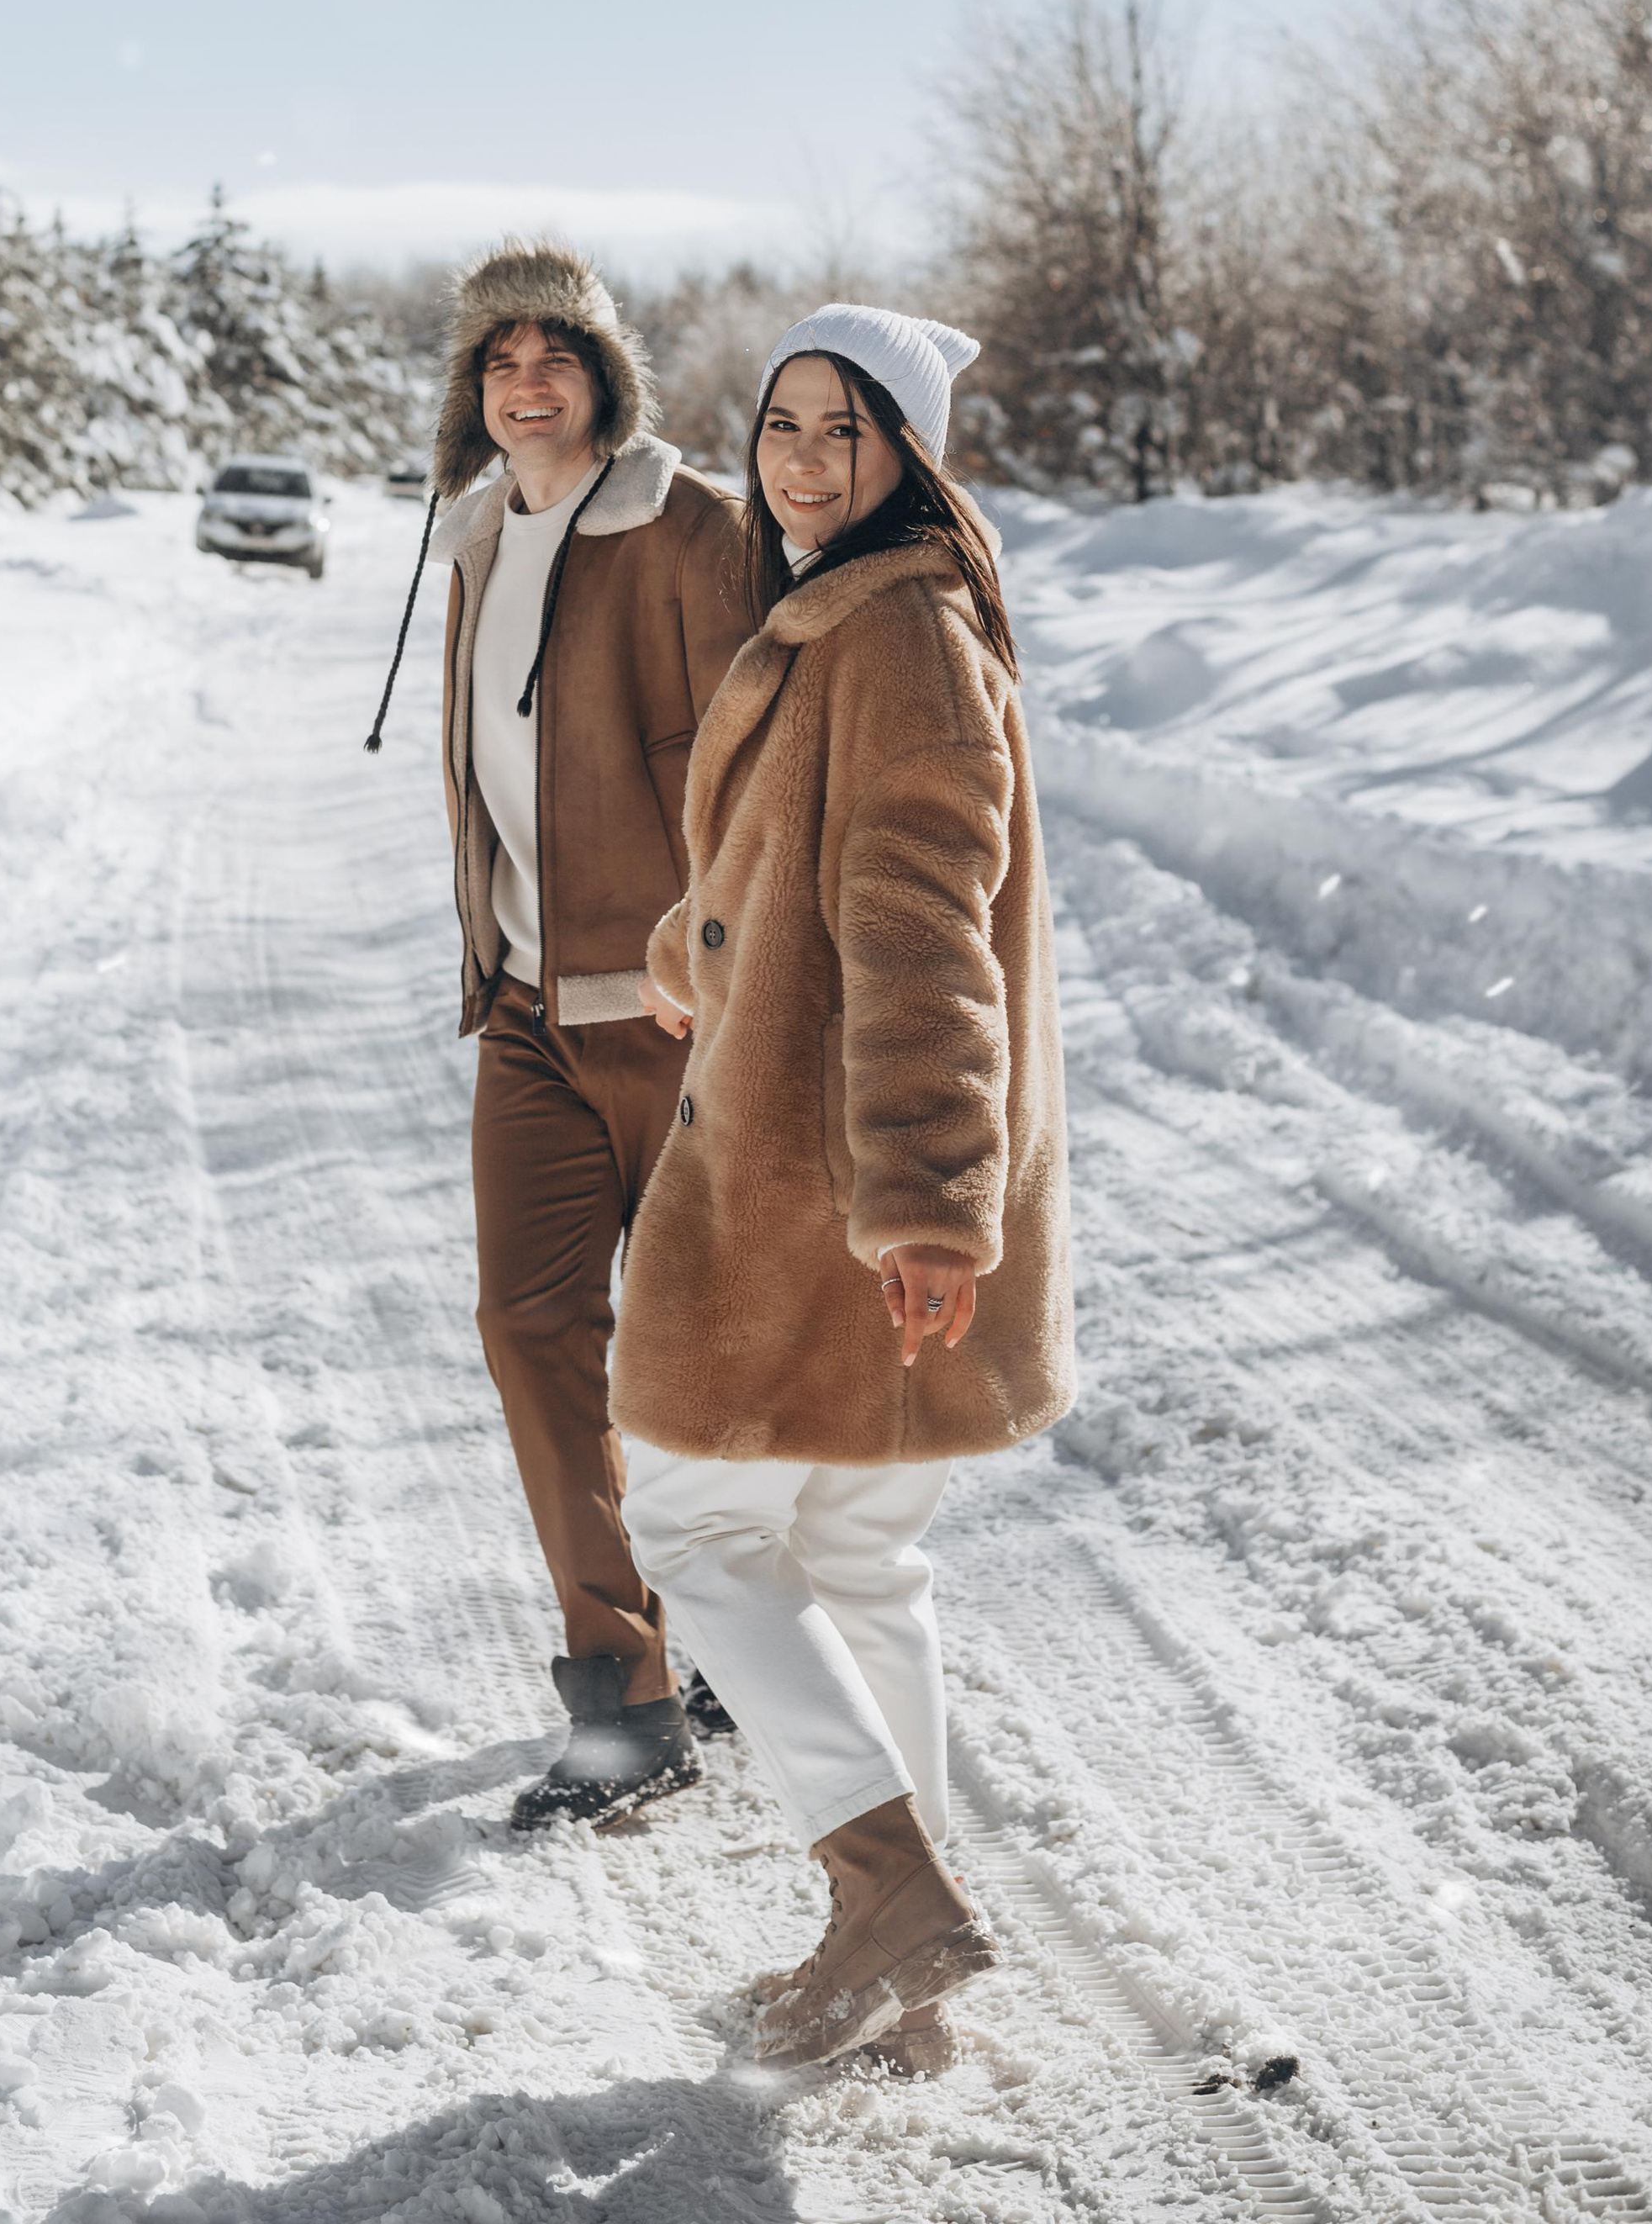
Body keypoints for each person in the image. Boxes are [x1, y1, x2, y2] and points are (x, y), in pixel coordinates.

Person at [611, 301, 1074, 2071]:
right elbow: (789, 866)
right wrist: (690, 937)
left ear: (909, 457)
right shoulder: (868, 613)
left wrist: (931, 1197)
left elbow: (913, 924)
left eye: (843, 430)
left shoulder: (893, 630)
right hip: (858, 1167)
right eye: (782, 425)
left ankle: (880, 1890)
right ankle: (910, 1981)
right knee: (862, 1557)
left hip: (823, 1178)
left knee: (698, 1526)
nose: (801, 459)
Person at [365, 240, 751, 1829]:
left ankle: (735, 1631)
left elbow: (755, 775)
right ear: (474, 392)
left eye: (557, 355)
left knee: (697, 1352)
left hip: (672, 1010)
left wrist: (728, 973)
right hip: (523, 1011)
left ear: (606, 376)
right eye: (498, 360)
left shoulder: (687, 526)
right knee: (532, 1332)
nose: (528, 383)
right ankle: (622, 1695)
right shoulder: (468, 541)